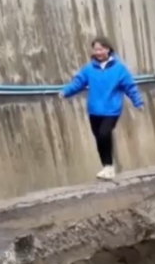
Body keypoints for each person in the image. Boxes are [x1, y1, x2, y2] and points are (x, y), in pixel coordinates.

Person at [59, 37, 145, 181]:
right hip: (94, 110)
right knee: (99, 138)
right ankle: (106, 166)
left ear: (108, 49)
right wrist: (65, 92)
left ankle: (109, 167)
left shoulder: (119, 69)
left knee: (105, 133)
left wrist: (138, 102)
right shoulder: (89, 69)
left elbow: (130, 87)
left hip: (112, 110)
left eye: (101, 49)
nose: (98, 52)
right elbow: (78, 83)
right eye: (96, 49)